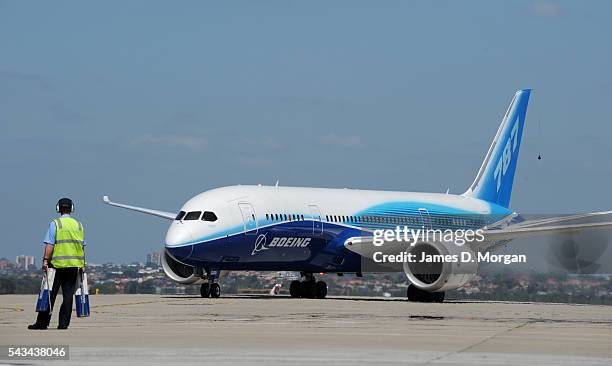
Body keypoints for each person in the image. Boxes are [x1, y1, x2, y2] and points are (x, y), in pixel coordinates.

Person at [28, 198, 86, 330]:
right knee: (68, 296)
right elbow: (82, 247)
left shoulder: (56, 224)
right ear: (72, 208)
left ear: (58, 208)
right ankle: (63, 324)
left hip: (57, 265)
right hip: (73, 266)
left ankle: (42, 323)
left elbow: (50, 244)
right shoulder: (79, 225)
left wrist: (45, 260)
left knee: (49, 294)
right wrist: (83, 264)